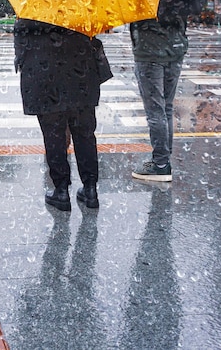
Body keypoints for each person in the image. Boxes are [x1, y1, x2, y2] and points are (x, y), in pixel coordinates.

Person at [14, 19, 112, 211]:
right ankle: (90, 188)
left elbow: (21, 49)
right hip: (81, 76)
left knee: (54, 135)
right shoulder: (82, 3)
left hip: (45, 78)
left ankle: (61, 190)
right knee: (84, 134)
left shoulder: (31, 7)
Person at [129, 14, 188, 182]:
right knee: (166, 108)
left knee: (156, 110)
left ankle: (161, 164)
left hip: (150, 52)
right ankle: (164, 159)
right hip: (175, 50)